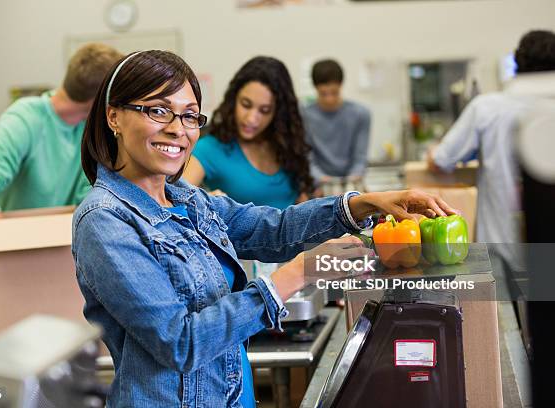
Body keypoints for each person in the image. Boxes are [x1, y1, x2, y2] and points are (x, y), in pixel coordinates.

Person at [73, 49, 457, 408]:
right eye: (158, 111)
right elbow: (180, 342)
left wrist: (363, 204)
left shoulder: (188, 199)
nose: (178, 129)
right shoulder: (105, 220)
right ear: (113, 117)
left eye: (190, 115)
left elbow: (273, 229)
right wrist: (299, 272)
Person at [427, 30, 555, 272]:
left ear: (517, 63)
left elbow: (441, 159)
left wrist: (433, 151)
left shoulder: (487, 108)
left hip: (504, 253)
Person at [0, 43, 123, 219]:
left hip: (63, 241)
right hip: (19, 239)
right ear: (100, 99)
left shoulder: (91, 130)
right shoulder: (25, 119)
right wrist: (8, 240)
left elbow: (88, 199)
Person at [183, 56, 313, 209]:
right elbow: (176, 203)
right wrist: (202, 204)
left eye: (264, 111)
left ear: (278, 113)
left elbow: (303, 207)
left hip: (292, 232)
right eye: (246, 105)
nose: (251, 119)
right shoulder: (209, 149)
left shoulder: (285, 146)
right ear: (233, 100)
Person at [302, 59, 371, 186]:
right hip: (318, 186)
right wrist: (321, 179)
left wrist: (351, 181)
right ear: (315, 88)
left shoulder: (360, 114)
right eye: (323, 94)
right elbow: (307, 158)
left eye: (334, 93)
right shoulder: (304, 116)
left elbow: (360, 157)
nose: (329, 99)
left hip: (351, 184)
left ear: (341, 86)